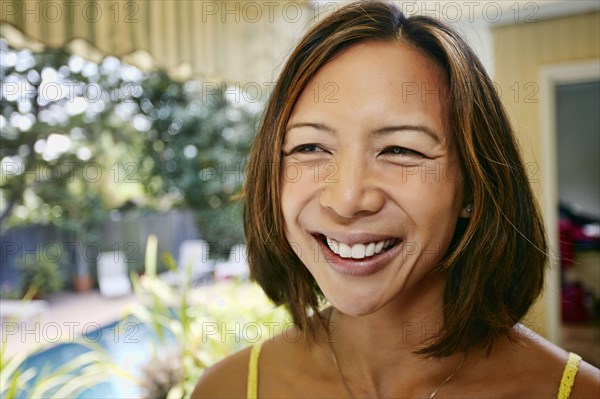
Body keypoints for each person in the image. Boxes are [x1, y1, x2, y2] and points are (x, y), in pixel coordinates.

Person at [193, 2, 600, 398]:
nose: (347, 199)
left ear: (474, 187)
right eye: (311, 147)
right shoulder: (225, 389)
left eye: (401, 150)